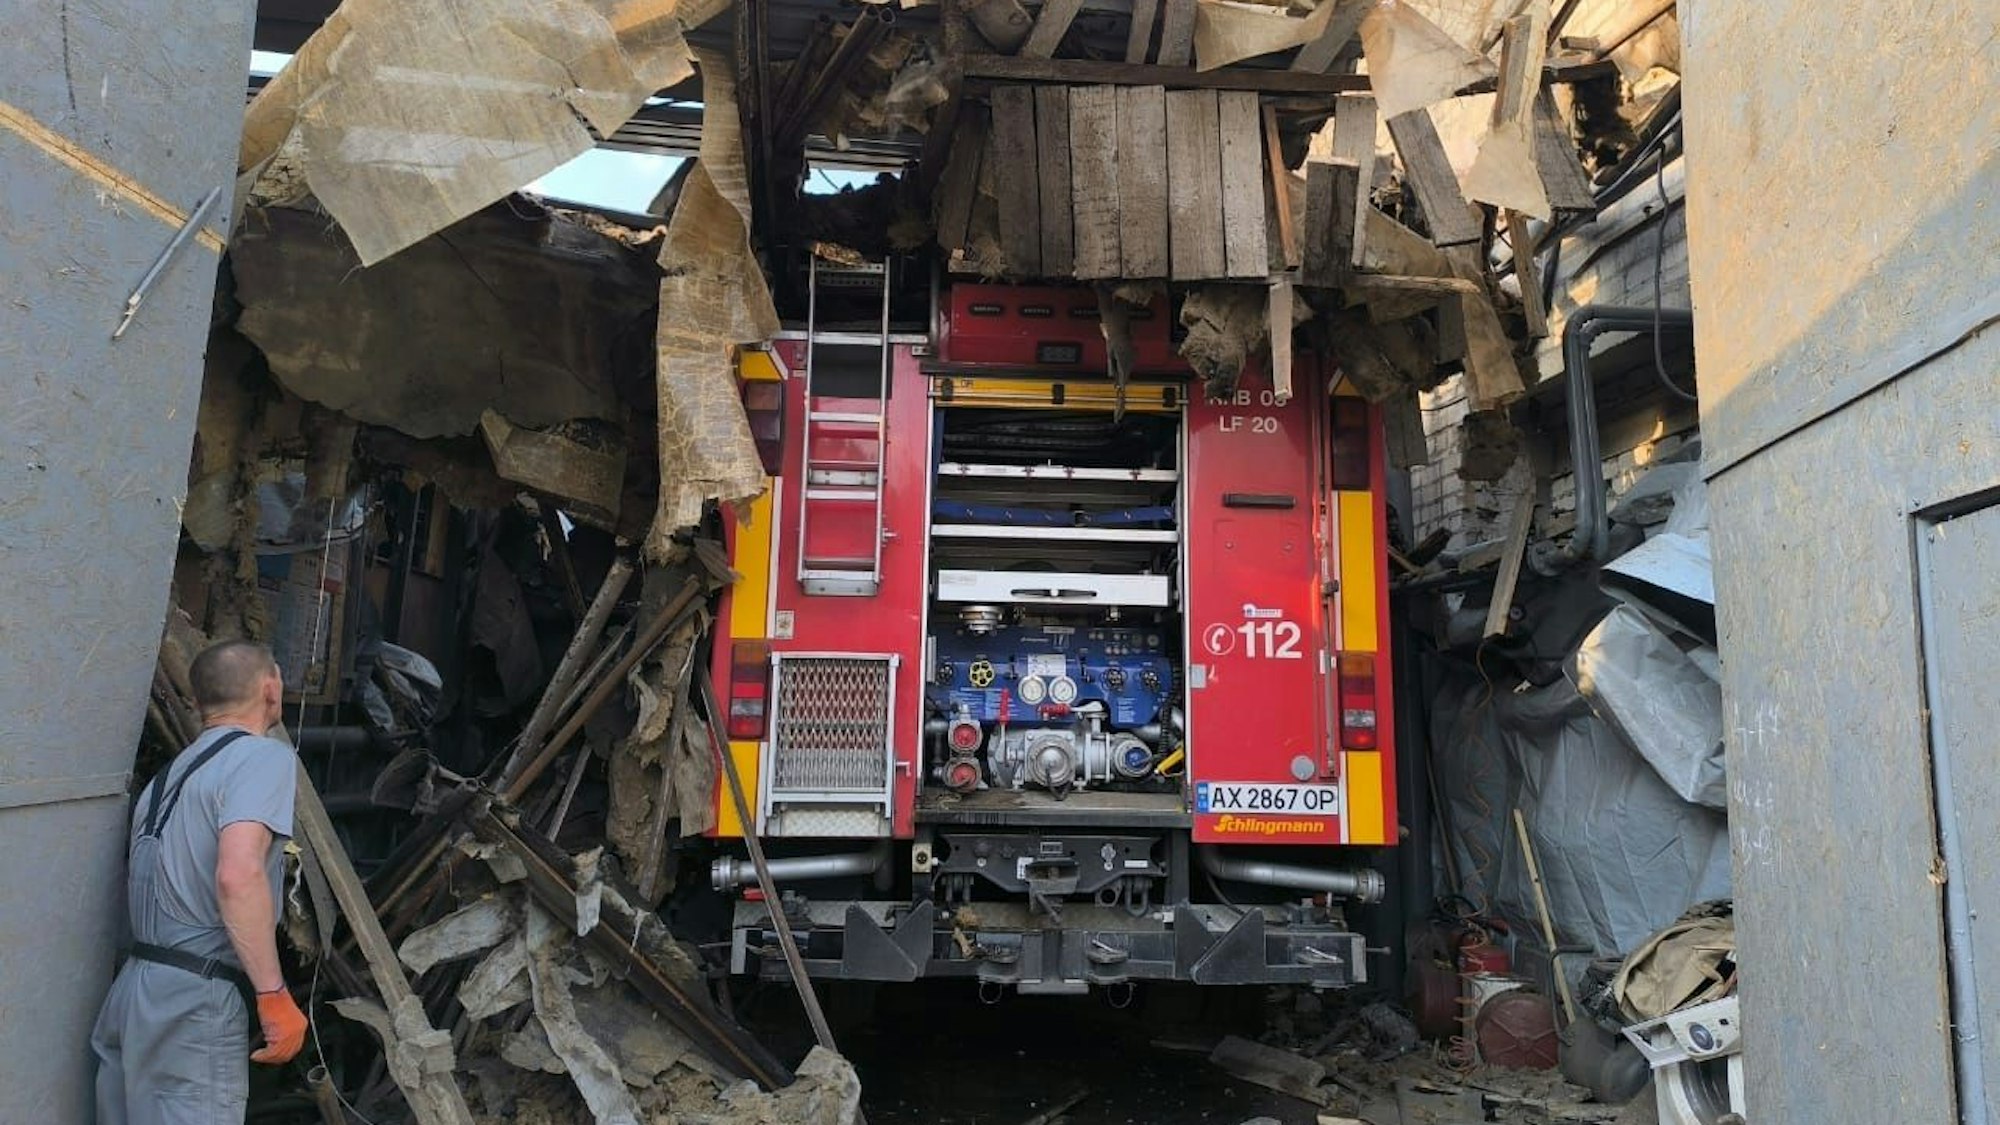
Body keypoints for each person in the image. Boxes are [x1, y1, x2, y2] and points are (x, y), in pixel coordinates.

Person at [91, 640, 311, 1124]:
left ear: (198, 702)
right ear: (271, 690)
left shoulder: (170, 775)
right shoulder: (262, 758)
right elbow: (238, 873)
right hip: (194, 999)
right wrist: (273, 995)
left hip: (133, 992)